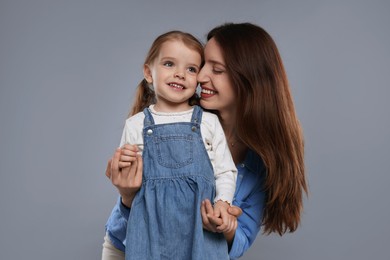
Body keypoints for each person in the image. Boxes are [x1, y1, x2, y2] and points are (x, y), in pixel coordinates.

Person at [103, 22, 308, 259]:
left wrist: (226, 226)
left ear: (248, 81)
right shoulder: (169, 118)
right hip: (133, 246)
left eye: (216, 70)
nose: (199, 76)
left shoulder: (261, 162)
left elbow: (240, 240)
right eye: (201, 66)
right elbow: (130, 220)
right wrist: (126, 196)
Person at [103, 30, 238, 260]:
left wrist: (222, 203)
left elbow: (225, 171)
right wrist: (123, 170)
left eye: (191, 69)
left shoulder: (207, 122)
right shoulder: (136, 125)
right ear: (148, 72)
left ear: (198, 79)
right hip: (151, 232)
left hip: (200, 234)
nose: (179, 74)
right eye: (169, 64)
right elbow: (128, 179)